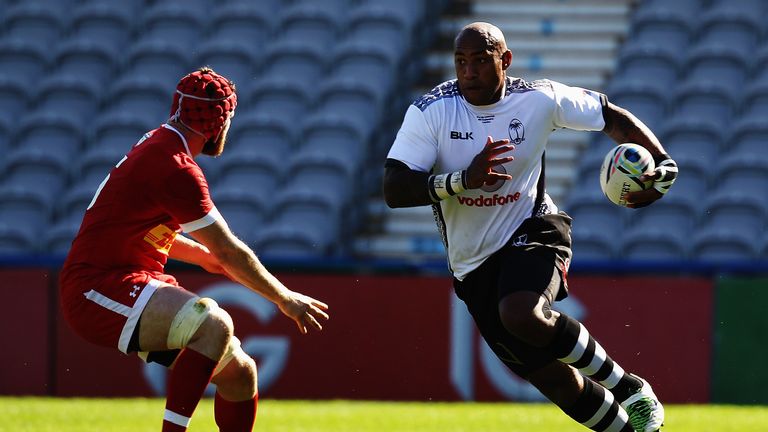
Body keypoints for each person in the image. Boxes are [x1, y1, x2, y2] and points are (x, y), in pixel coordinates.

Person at [383, 22, 677, 432]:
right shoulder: (432, 111)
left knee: (521, 313)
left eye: (481, 61)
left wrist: (661, 160)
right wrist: (461, 181)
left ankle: (628, 387)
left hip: (534, 227)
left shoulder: (538, 98)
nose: (469, 71)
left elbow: (609, 115)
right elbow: (394, 187)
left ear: (505, 60)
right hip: (471, 265)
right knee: (554, 379)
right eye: (461, 62)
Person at [59, 67, 330, 432]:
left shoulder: (159, 143)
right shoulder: (176, 167)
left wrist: (202, 257)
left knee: (240, 374)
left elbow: (144, 230)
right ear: (221, 122)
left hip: (125, 277)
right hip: (96, 288)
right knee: (213, 323)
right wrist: (284, 298)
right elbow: (230, 250)